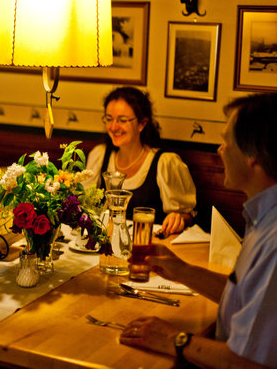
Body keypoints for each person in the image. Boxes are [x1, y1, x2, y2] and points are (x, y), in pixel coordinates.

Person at [119, 93, 277, 368]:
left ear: (253, 156)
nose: (220, 149)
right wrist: (183, 271)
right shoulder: (263, 216)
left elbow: (248, 362)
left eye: (226, 140)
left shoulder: (273, 240)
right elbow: (248, 300)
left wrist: (174, 339)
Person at [86, 86, 196, 235]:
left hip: (148, 245)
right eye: (109, 119)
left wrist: (178, 218)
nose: (113, 127)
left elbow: (188, 215)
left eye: (122, 120)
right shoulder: (99, 155)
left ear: (142, 123)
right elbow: (83, 204)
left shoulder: (164, 162)